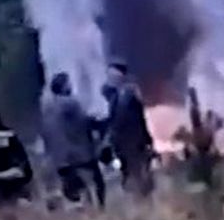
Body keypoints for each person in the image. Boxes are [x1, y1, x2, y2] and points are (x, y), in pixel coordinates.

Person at [41, 72, 105, 208]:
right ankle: (99, 209)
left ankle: (79, 210)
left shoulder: (47, 109)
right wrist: (100, 124)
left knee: (73, 190)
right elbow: (84, 123)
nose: (70, 86)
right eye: (68, 83)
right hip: (80, 155)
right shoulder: (70, 103)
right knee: (96, 183)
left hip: (59, 160)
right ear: (63, 86)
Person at [101, 61, 155, 197]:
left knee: (140, 173)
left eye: (113, 74)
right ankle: (139, 196)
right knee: (130, 173)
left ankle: (144, 196)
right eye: (109, 75)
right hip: (122, 143)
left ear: (121, 75)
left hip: (135, 139)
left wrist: (147, 138)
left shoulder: (130, 91)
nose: (110, 78)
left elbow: (139, 114)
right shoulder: (114, 95)